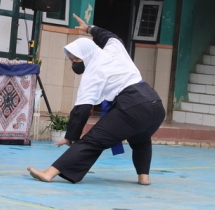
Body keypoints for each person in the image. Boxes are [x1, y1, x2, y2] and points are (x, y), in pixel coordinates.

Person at [27, 13, 165, 184]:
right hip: (156, 105)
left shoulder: (93, 72)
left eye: (76, 59)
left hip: (133, 104)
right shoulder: (115, 49)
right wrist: (89, 29)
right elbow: (110, 36)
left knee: (92, 141)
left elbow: (82, 110)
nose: (74, 63)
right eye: (71, 60)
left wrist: (71, 136)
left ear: (86, 56)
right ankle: (144, 177)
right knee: (142, 138)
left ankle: (49, 173)